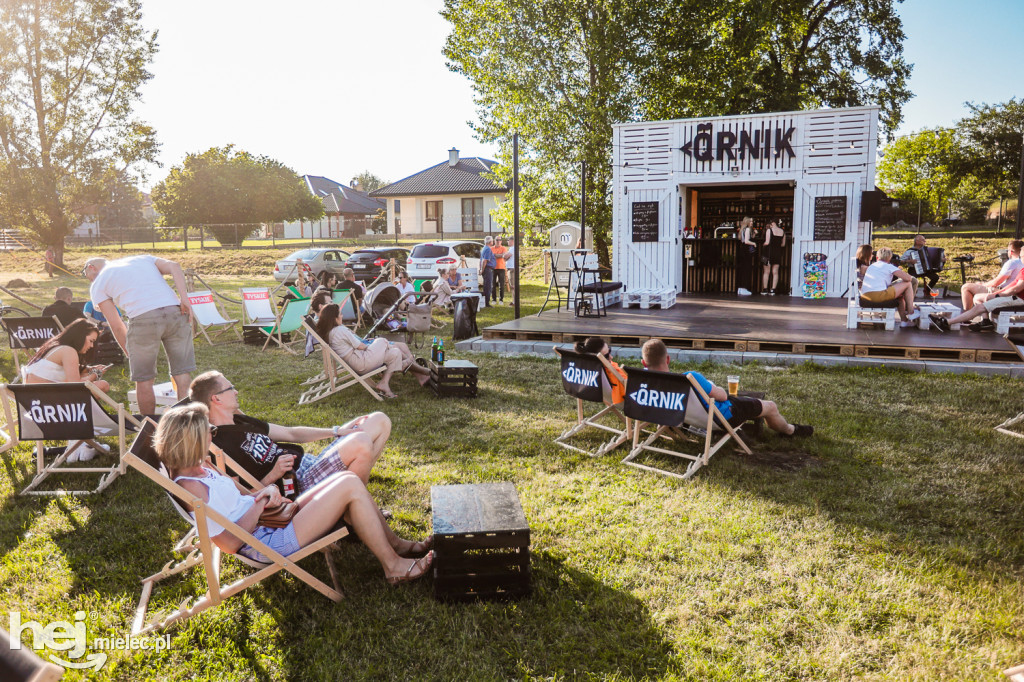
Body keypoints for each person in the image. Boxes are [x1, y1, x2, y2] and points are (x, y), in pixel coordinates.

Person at [154, 403, 433, 583]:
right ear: (190, 442)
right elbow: (228, 543)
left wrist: (263, 495)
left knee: (347, 478)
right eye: (209, 432)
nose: (213, 436)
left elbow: (238, 502)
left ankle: (395, 546)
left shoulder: (201, 468)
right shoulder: (190, 487)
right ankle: (393, 567)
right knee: (348, 484)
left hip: (271, 518)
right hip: (265, 541)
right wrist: (261, 502)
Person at [189, 370, 390, 490]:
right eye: (230, 388)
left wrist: (336, 431)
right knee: (362, 442)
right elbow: (240, 494)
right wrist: (273, 475)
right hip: (298, 483)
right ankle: (351, 514)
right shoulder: (218, 445)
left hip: (309, 464)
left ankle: (354, 501)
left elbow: (291, 433)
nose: (236, 391)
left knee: (379, 421)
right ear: (217, 399)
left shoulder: (240, 420)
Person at [83, 255, 195, 415]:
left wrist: (129, 352)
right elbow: (175, 266)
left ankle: (148, 429)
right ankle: (186, 424)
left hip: (143, 318)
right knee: (182, 373)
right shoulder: (142, 259)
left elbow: (116, 325)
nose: (86, 278)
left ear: (91, 267)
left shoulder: (98, 284)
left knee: (144, 380)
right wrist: (184, 299)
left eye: (84, 273)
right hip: (174, 311)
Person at [641, 338, 813, 437]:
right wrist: (713, 386)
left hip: (685, 419)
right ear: (668, 359)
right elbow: (722, 397)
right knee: (771, 406)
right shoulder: (690, 378)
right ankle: (790, 430)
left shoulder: (645, 382)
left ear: (643, 363)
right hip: (722, 416)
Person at [23, 318, 112, 462]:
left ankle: (80, 443)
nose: (91, 345)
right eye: (91, 340)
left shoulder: (55, 347)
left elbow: (61, 376)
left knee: (97, 385)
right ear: (80, 335)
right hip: (53, 412)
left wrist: (89, 370)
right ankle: (80, 443)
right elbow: (74, 386)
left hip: (36, 409)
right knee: (102, 385)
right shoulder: (69, 350)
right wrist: (96, 375)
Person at [316, 304, 430, 398]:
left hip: (359, 360)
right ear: (335, 318)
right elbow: (360, 346)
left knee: (395, 353)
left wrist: (373, 346)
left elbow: (356, 344)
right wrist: (373, 346)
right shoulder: (339, 330)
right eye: (340, 314)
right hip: (361, 362)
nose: (342, 315)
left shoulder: (332, 332)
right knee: (382, 340)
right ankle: (419, 368)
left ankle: (384, 383)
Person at [929, 265, 1024, 332]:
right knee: (979, 298)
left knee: (980, 307)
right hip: (1013, 296)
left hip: (1017, 299)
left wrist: (997, 296)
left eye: (1022, 256)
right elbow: (1012, 286)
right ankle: (986, 322)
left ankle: (946, 323)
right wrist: (997, 293)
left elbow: (1016, 288)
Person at [860, 247, 920, 328]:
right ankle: (911, 312)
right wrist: (899, 271)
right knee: (908, 283)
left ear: (877, 257)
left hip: (865, 296)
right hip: (879, 296)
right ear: (890, 258)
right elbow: (908, 278)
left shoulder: (871, 266)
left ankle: (904, 321)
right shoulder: (889, 266)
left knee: (900, 297)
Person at [960, 240, 1023, 313]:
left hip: (1003, 291)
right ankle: (981, 318)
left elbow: (996, 282)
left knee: (966, 287)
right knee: (977, 288)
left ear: (1011, 251)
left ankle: (966, 316)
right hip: (1013, 293)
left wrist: (983, 284)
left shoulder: (1012, 262)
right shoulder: (1021, 263)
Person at [574, 336, 625, 405]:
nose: (611, 357)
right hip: (624, 401)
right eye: (606, 356)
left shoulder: (589, 370)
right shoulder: (612, 374)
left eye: (609, 350)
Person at [761, 220, 786, 295]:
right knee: (775, 272)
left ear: (772, 223)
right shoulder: (782, 231)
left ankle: (765, 290)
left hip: (768, 253)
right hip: (777, 253)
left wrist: (763, 245)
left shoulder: (769, 230)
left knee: (766, 272)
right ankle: (773, 290)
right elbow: (783, 244)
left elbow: (767, 242)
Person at [736, 217, 756, 296]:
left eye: (752, 221)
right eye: (750, 221)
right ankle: (745, 288)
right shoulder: (747, 229)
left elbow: (745, 239)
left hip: (742, 249)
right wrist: (754, 244)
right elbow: (747, 241)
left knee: (743, 268)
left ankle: (741, 288)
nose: (752, 222)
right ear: (747, 222)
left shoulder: (743, 230)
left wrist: (754, 234)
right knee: (747, 269)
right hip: (746, 250)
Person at [479, 236, 497, 307]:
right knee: (488, 286)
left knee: (487, 286)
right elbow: (484, 260)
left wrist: (481, 269)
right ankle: (486, 303)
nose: (493, 242)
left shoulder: (484, 248)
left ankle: (485, 302)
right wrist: (482, 270)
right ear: (490, 242)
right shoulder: (488, 249)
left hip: (487, 269)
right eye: (492, 241)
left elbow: (481, 260)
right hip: (488, 269)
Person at [491, 238, 508, 305]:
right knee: (493, 285)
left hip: (501, 268)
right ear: (494, 241)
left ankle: (501, 300)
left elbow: (504, 255)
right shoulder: (491, 248)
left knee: (501, 285)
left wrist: (495, 255)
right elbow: (491, 256)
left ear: (501, 241)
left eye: (499, 240)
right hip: (493, 268)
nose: (498, 241)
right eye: (497, 240)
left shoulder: (503, 248)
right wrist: (500, 255)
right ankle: (494, 299)